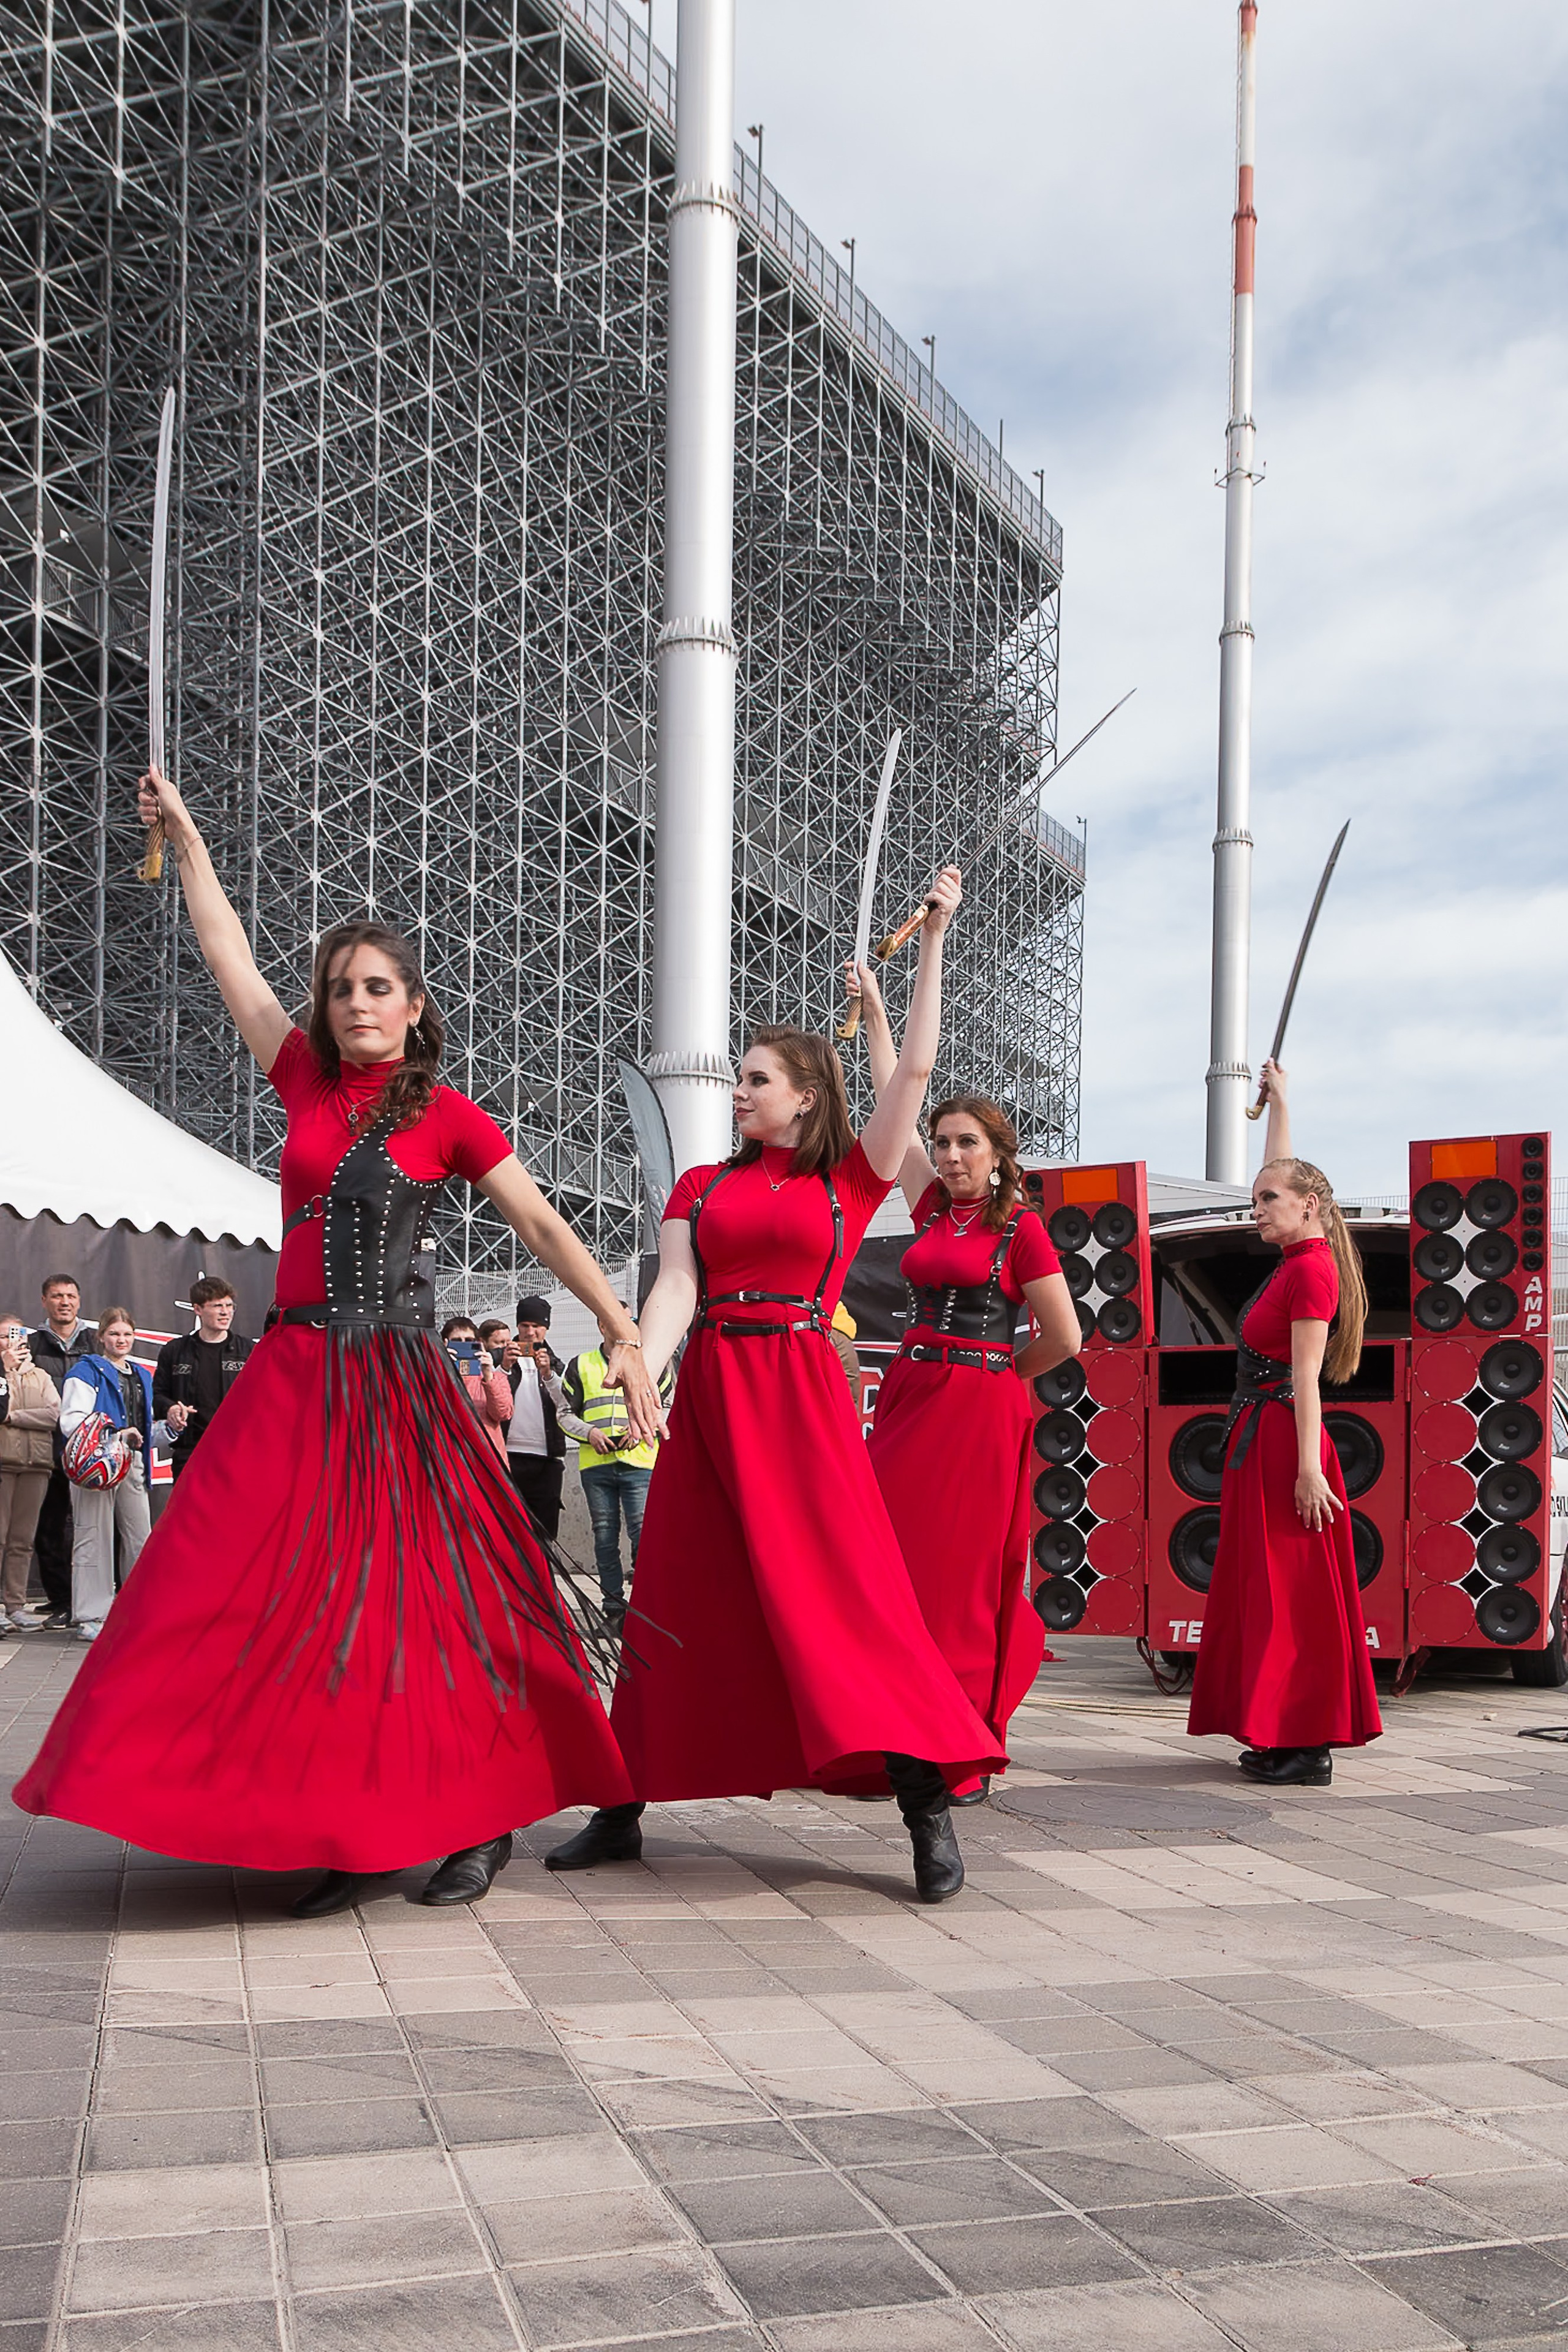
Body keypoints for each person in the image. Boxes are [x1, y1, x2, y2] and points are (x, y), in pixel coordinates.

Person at [15, 762, 658, 1916]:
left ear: (413, 1004)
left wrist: (619, 1326)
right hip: (295, 1369)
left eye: (375, 987)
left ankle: (484, 1816)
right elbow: (229, 960)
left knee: (438, 1600)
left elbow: (544, 1222)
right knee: (229, 1578)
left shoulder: (450, 1113)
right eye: (339, 989)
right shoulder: (304, 1077)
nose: (354, 1002)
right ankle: (335, 1819)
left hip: (396, 1380)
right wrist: (194, 841)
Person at [548, 869, 1004, 1905]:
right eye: (740, 1077)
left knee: (850, 1595)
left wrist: (933, 941)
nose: (739, 1090)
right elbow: (674, 1283)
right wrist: (638, 1359)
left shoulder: (850, 1177)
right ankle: (623, 1804)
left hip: (800, 1394)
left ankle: (923, 1798)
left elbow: (918, 1067)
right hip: (712, 1386)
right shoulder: (699, 1184)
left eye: (757, 1078)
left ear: (806, 1092)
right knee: (673, 1594)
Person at [855, 967, 1082, 1806]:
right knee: (894, 1569)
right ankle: (897, 1729)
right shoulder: (927, 1211)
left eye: (965, 1145)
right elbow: (896, 1097)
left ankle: (962, 1745)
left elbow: (1064, 1337)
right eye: (943, 1142)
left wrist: (993, 1374)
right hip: (911, 1402)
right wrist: (881, 1010)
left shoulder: (1021, 1229)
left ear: (997, 1156)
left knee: (962, 1579)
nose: (948, 1155)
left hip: (980, 1407)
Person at [1186, 1060, 1382, 1785]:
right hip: (1261, 1439)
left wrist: (1306, 1468)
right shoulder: (1300, 1252)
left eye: (1268, 1199)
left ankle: (1307, 1743)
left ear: (1309, 1206)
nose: (1256, 1206)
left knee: (1288, 1591)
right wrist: (1281, 1100)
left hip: (1282, 1443)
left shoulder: (1311, 1270)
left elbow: (1305, 1376)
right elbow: (1284, 1165)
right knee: (1268, 1590)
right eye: (1254, 1198)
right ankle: (1280, 1733)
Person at [58, 1309, 174, 1643]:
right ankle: (91, 1615)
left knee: (140, 1536)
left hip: (131, 1464)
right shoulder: (86, 1371)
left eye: (126, 1334)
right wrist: (117, 1435)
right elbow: (72, 1421)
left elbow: (145, 1430)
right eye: (114, 1334)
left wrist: (170, 1429)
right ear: (102, 1337)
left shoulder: (142, 1375)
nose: (121, 1340)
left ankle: (140, 1610)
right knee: (93, 1536)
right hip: (94, 1466)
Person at [560, 1342, 674, 1628]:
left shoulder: (653, 1361)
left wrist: (642, 1426)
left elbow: (669, 1406)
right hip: (596, 1465)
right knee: (604, 1537)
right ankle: (614, 1611)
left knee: (644, 1536)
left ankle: (647, 1607)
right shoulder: (581, 1364)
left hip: (641, 1463)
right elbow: (564, 1414)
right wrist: (590, 1433)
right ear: (602, 1325)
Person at [28, 1274, 94, 1625]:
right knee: (49, 1528)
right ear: (44, 1302)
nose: (64, 1302)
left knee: (86, 1530)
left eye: (70, 1295)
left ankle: (86, 1600)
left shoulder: (96, 1341)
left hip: (90, 1455)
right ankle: (61, 1600)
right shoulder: (32, 1344)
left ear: (79, 1301)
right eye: (56, 1296)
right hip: (45, 1450)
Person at [153, 1277, 256, 1480]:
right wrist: (170, 1409)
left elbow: (264, 1400)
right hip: (190, 1452)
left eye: (229, 1305)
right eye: (218, 1306)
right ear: (197, 1309)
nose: (225, 1312)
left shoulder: (249, 1351)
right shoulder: (175, 1351)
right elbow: (157, 1394)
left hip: (237, 1450)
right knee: (188, 1512)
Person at [0, 1315, 59, 1635]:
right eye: (4, 1336)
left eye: (16, 1335)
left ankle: (15, 1606)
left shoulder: (41, 1375)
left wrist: (13, 1417)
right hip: (3, 1463)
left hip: (36, 1464)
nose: (11, 1342)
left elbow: (54, 1414)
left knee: (22, 1541)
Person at [502, 1295, 570, 1538]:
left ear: (546, 1328)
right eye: (525, 1326)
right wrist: (504, 1368)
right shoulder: (501, 1357)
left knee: (544, 1534)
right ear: (518, 1326)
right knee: (507, 1530)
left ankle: (542, 1576)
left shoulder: (559, 1365)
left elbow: (568, 1405)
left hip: (546, 1458)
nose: (530, 1332)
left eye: (536, 1326)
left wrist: (548, 1372)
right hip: (507, 1455)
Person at [440, 1316, 514, 1456]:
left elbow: (503, 1413)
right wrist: (440, 1368)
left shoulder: (496, 1377)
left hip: (486, 1459)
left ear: (479, 1344)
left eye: (469, 1341)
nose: (464, 1346)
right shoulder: (434, 1376)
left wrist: (488, 1375)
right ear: (445, 1344)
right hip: (449, 1457)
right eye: (457, 1342)